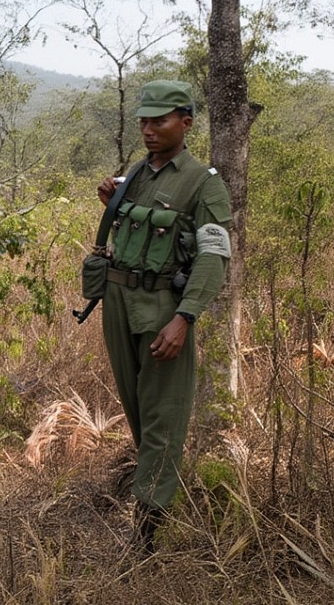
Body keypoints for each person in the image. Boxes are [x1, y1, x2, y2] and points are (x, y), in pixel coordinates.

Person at [95, 80, 232, 553]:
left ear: (186, 122)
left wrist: (185, 317)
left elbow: (214, 257)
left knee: (163, 417)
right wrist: (112, 199)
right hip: (117, 301)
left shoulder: (203, 182)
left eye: (160, 121)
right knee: (137, 408)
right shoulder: (139, 172)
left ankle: (146, 538)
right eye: (144, 121)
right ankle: (155, 498)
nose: (149, 129)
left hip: (161, 308)